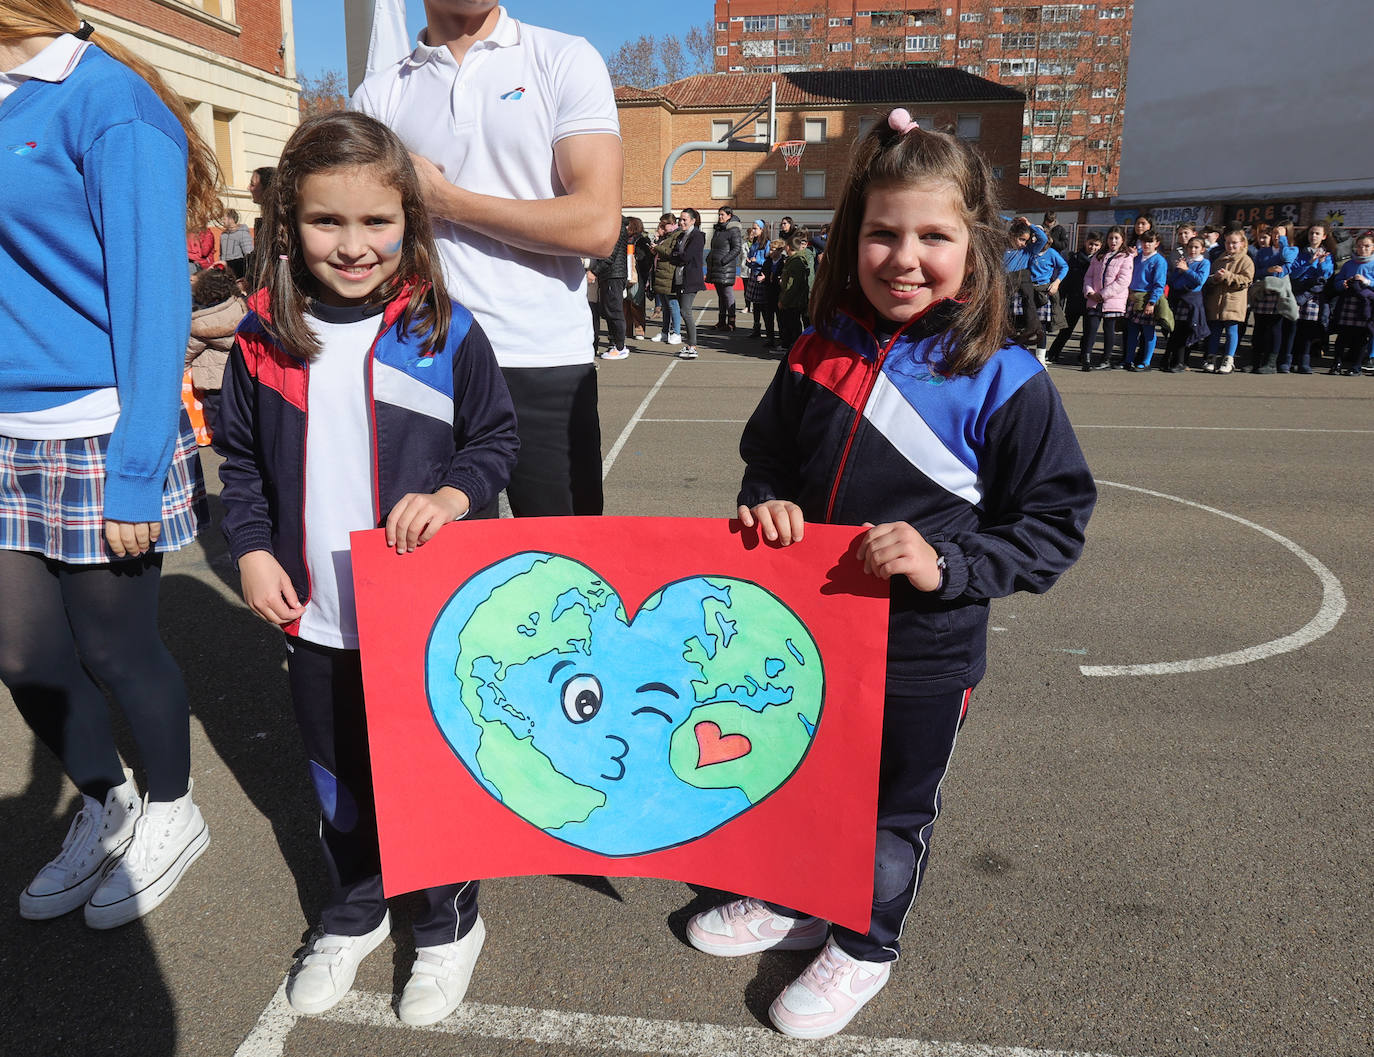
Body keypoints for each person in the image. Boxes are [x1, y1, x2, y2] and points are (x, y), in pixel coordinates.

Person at [683, 108, 1094, 1041]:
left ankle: (865, 943)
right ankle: (791, 897)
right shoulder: (815, 349)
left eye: (933, 235)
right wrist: (766, 501)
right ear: (851, 239)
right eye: (882, 232)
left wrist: (946, 561)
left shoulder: (1006, 376)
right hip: (801, 634)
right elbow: (768, 459)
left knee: (890, 807)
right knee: (794, 776)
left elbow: (1054, 523)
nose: (904, 257)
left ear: (975, 244)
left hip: (923, 649)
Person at [214, 112, 519, 1026]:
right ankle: (352, 911)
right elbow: (238, 463)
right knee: (339, 777)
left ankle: (443, 926)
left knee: (428, 779)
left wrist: (457, 496)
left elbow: (496, 438)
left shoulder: (444, 328)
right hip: (318, 619)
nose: (353, 246)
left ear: (408, 223)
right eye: (326, 223)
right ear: (285, 226)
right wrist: (253, 549)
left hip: (426, 617)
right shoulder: (266, 333)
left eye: (375, 223)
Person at [0, 0, 217, 929]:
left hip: (100, 428)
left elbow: (154, 297)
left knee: (115, 650)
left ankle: (173, 807)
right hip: (4, 432)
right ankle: (106, 799)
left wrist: (136, 469)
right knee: (21, 652)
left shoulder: (110, 104)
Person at [353, 0, 621, 518]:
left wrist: (447, 201)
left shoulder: (563, 57)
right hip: (426, 358)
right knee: (440, 566)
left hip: (542, 357)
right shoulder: (379, 94)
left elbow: (597, 225)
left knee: (564, 569)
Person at [185, 267, 248, 437]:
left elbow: (189, 351)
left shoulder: (201, 322)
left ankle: (222, 439)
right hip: (240, 372)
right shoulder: (241, 307)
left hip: (214, 378)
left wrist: (181, 368)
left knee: (216, 413)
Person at [1202, 228, 1255, 374]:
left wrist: (1228, 276)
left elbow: (1246, 281)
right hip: (1216, 302)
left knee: (1232, 331)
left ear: (1242, 244)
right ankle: (1211, 357)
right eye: (1228, 243)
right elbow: (1209, 278)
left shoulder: (1246, 261)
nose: (1231, 246)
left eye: (1234, 243)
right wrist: (1214, 279)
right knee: (1215, 332)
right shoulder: (1219, 259)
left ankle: (1229, 359)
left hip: (1233, 302)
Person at [1248, 223, 1299, 373]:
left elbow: (1286, 262)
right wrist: (1268, 270)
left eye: (1280, 234)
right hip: (1263, 291)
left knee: (1275, 329)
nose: (1276, 237)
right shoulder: (1263, 252)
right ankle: (1255, 360)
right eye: (1275, 233)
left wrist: (1283, 241)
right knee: (1259, 328)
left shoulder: (1292, 249)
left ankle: (1270, 363)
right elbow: (1256, 272)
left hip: (1279, 293)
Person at [1285, 224, 1335, 374]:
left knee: (1308, 330)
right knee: (1293, 327)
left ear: (1324, 236)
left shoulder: (1327, 255)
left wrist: (1320, 264)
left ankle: (1304, 361)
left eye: (1317, 234)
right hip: (1298, 292)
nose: (1314, 236)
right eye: (1311, 233)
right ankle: (1288, 360)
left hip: (1314, 295)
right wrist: (1310, 262)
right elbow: (1294, 274)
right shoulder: (1300, 253)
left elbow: (1326, 275)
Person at [1080, 226, 1130, 369]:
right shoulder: (1099, 256)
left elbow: (1123, 281)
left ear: (1122, 240)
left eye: (1116, 238)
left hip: (1112, 300)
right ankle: (1086, 358)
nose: (1113, 241)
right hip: (1094, 300)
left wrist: (1103, 295)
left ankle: (1106, 359)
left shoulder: (1126, 257)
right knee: (1091, 328)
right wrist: (1090, 293)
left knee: (1109, 330)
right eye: (1110, 238)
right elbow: (1089, 276)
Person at [1324, 232, 1374, 375]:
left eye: (1366, 246)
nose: (1362, 249)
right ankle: (1337, 363)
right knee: (1343, 335)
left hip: (1366, 305)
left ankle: (1356, 366)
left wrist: (1366, 281)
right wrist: (1343, 283)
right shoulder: (1349, 264)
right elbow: (1338, 281)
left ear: (1373, 247)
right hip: (1348, 302)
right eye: (1359, 246)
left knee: (1361, 337)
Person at [1161, 237, 1211, 372]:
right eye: (1190, 247)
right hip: (1178, 299)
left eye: (1196, 247)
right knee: (1175, 331)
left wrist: (1186, 270)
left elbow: (1199, 281)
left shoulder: (1204, 263)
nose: (1192, 250)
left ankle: (1181, 362)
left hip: (1192, 300)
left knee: (1186, 332)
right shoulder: (1184, 261)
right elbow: (1173, 281)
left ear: (1202, 249)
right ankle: (1169, 360)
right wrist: (1180, 270)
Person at [1048, 230, 1097, 365]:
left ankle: (1083, 356)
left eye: (1096, 245)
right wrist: (1061, 298)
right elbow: (1067, 280)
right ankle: (1053, 353)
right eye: (1090, 243)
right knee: (1066, 330)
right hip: (1074, 300)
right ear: (1085, 242)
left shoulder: (1099, 260)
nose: (1092, 247)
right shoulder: (1074, 258)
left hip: (1090, 300)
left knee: (1088, 332)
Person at [1121, 230, 1167, 371]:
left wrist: (1152, 302)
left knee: (1148, 332)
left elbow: (1159, 284)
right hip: (1133, 297)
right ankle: (1128, 360)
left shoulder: (1159, 261)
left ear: (1156, 244)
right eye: (1144, 241)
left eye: (1150, 241)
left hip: (1147, 298)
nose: (1146, 244)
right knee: (1132, 332)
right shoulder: (1137, 258)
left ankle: (1146, 362)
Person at [589, 216, 631, 360]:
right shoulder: (613, 225)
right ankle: (615, 344)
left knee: (614, 311)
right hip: (610, 275)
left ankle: (620, 347)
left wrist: (594, 271)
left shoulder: (616, 227)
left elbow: (609, 255)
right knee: (609, 310)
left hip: (614, 274)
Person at [669, 206, 705, 360]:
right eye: (680, 219)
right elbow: (673, 255)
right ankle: (690, 345)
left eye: (684, 219)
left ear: (693, 221)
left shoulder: (697, 236)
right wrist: (677, 255)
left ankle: (693, 346)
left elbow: (686, 256)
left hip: (690, 279)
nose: (681, 222)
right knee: (683, 310)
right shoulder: (680, 236)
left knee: (685, 311)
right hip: (679, 277)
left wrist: (678, 255)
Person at [649, 213, 683, 345]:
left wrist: (657, 247)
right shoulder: (667, 236)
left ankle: (677, 333)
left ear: (672, 223)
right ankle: (665, 332)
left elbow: (672, 252)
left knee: (673, 304)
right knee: (665, 306)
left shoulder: (677, 235)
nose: (662, 227)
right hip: (661, 273)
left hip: (669, 273)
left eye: (664, 224)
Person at [706, 206, 742, 331]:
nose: (720, 217)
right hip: (716, 267)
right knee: (721, 295)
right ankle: (721, 321)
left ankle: (731, 322)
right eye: (719, 214)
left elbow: (737, 248)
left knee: (728, 295)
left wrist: (724, 261)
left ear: (729, 216)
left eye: (722, 215)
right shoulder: (719, 230)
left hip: (725, 268)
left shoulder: (734, 230)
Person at [776, 235, 810, 350]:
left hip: (793, 301)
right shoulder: (796, 260)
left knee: (792, 325)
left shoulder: (796, 262)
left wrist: (783, 301)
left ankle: (792, 347)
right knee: (793, 324)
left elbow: (792, 286)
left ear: (789, 247)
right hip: (795, 300)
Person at [626, 215, 653, 338]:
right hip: (624, 273)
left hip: (637, 274)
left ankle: (639, 328)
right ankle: (627, 329)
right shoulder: (622, 238)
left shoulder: (642, 240)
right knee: (624, 302)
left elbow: (645, 259)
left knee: (636, 302)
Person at [743, 219, 769, 334]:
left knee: (763, 306)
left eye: (755, 228)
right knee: (755, 305)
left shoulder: (767, 243)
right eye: (753, 228)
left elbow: (767, 260)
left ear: (762, 230)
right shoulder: (754, 243)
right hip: (753, 274)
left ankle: (768, 331)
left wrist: (757, 260)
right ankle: (756, 328)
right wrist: (749, 261)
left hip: (761, 276)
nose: (753, 230)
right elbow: (750, 257)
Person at [219, 208, 254, 279]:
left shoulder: (243, 234)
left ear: (231, 219)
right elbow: (221, 255)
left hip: (238, 272)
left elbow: (249, 255)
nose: (222, 221)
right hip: (225, 272)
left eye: (224, 219)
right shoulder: (223, 235)